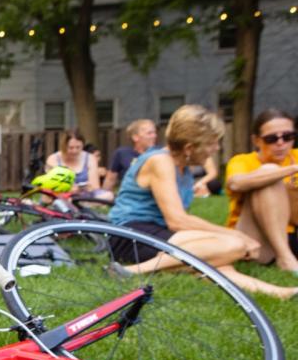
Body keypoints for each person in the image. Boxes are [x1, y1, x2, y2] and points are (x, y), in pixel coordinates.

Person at [108, 104, 296, 299]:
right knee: (232, 246)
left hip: (160, 232)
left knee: (217, 258)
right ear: (189, 147)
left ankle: (282, 293)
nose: (216, 148)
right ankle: (134, 270)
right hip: (131, 235)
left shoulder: (183, 168)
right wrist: (238, 237)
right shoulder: (160, 161)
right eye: (212, 143)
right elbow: (177, 221)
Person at [223, 109, 298, 273]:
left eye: (288, 137)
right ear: (256, 140)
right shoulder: (242, 161)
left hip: (293, 231)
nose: (281, 143)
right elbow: (236, 184)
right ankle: (285, 257)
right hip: (254, 239)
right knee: (268, 173)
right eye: (271, 139)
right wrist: (291, 170)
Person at [46, 129, 111, 200]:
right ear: (64, 146)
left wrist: (79, 188)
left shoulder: (90, 158)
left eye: (78, 147)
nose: (75, 151)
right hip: (62, 194)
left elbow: (94, 186)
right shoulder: (53, 159)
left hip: (85, 195)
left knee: (107, 195)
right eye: (70, 148)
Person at [107, 119, 157, 192]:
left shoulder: (160, 153)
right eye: (149, 133)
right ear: (135, 137)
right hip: (129, 195)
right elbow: (110, 179)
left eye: (155, 132)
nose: (154, 136)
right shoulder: (122, 153)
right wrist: (103, 197)